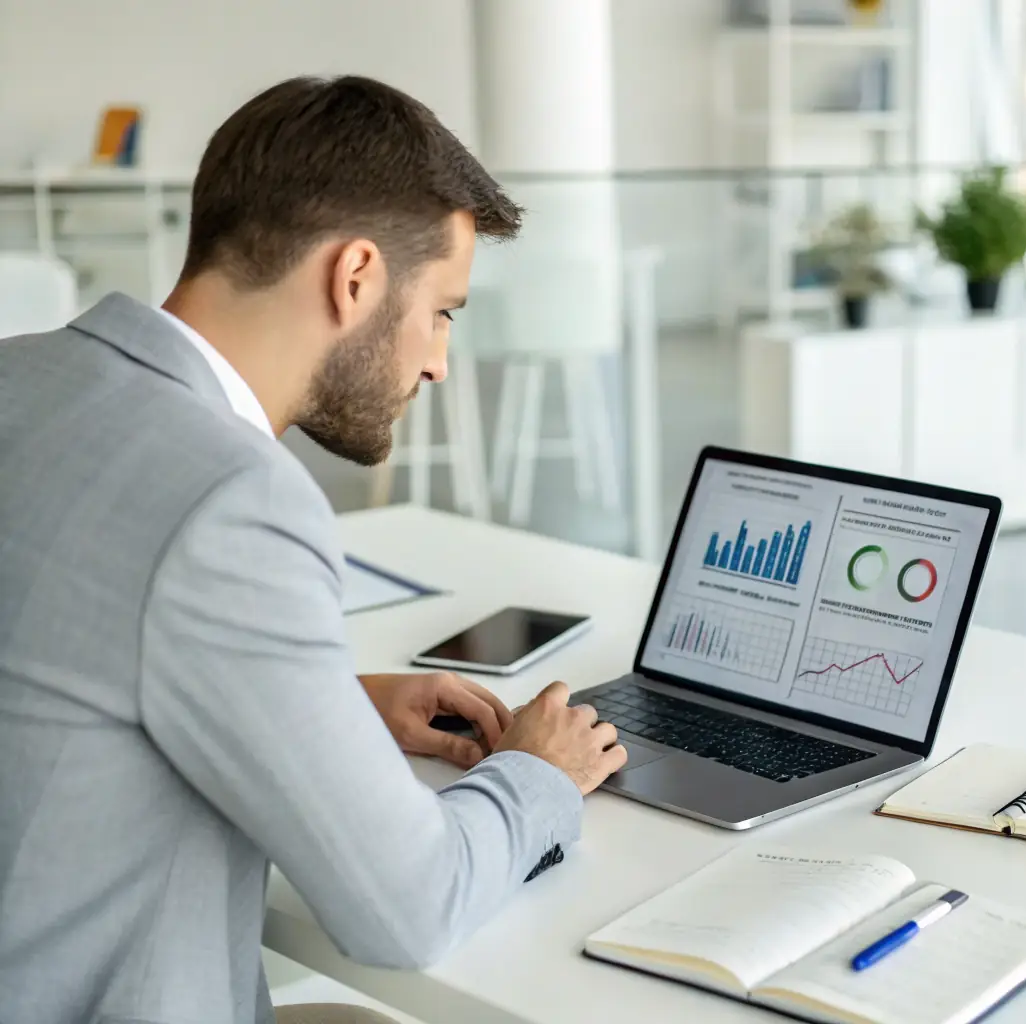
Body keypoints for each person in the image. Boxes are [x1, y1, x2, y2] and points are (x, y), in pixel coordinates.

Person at [0, 76, 626, 1024]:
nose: (437, 362)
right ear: (356, 277)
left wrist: (330, 705)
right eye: (442, 311)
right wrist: (540, 772)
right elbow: (408, 908)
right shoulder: (230, 497)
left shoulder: (21, 376)